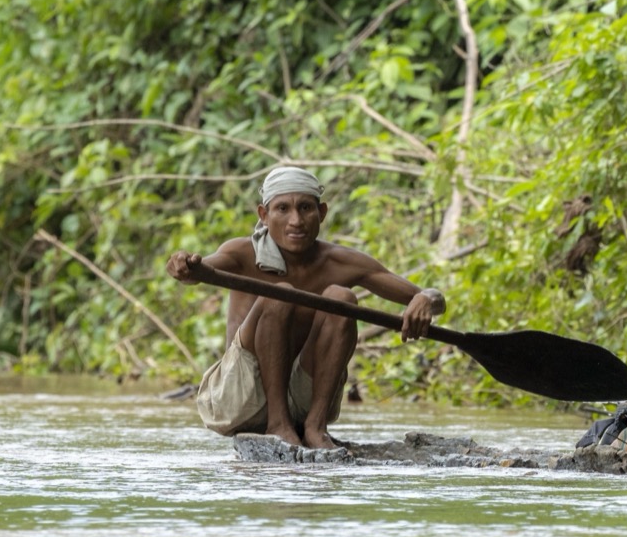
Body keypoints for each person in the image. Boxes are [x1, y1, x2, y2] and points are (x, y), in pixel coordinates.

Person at [166, 166, 445, 448]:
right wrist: (185, 267)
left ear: (322, 213)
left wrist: (425, 299)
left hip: (301, 399)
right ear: (264, 215)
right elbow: (199, 272)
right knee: (282, 294)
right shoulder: (241, 254)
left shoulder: (339, 262)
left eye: (305, 208)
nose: (296, 221)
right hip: (239, 398)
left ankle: (315, 426)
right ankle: (278, 424)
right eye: (283, 209)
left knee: (342, 298)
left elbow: (431, 299)